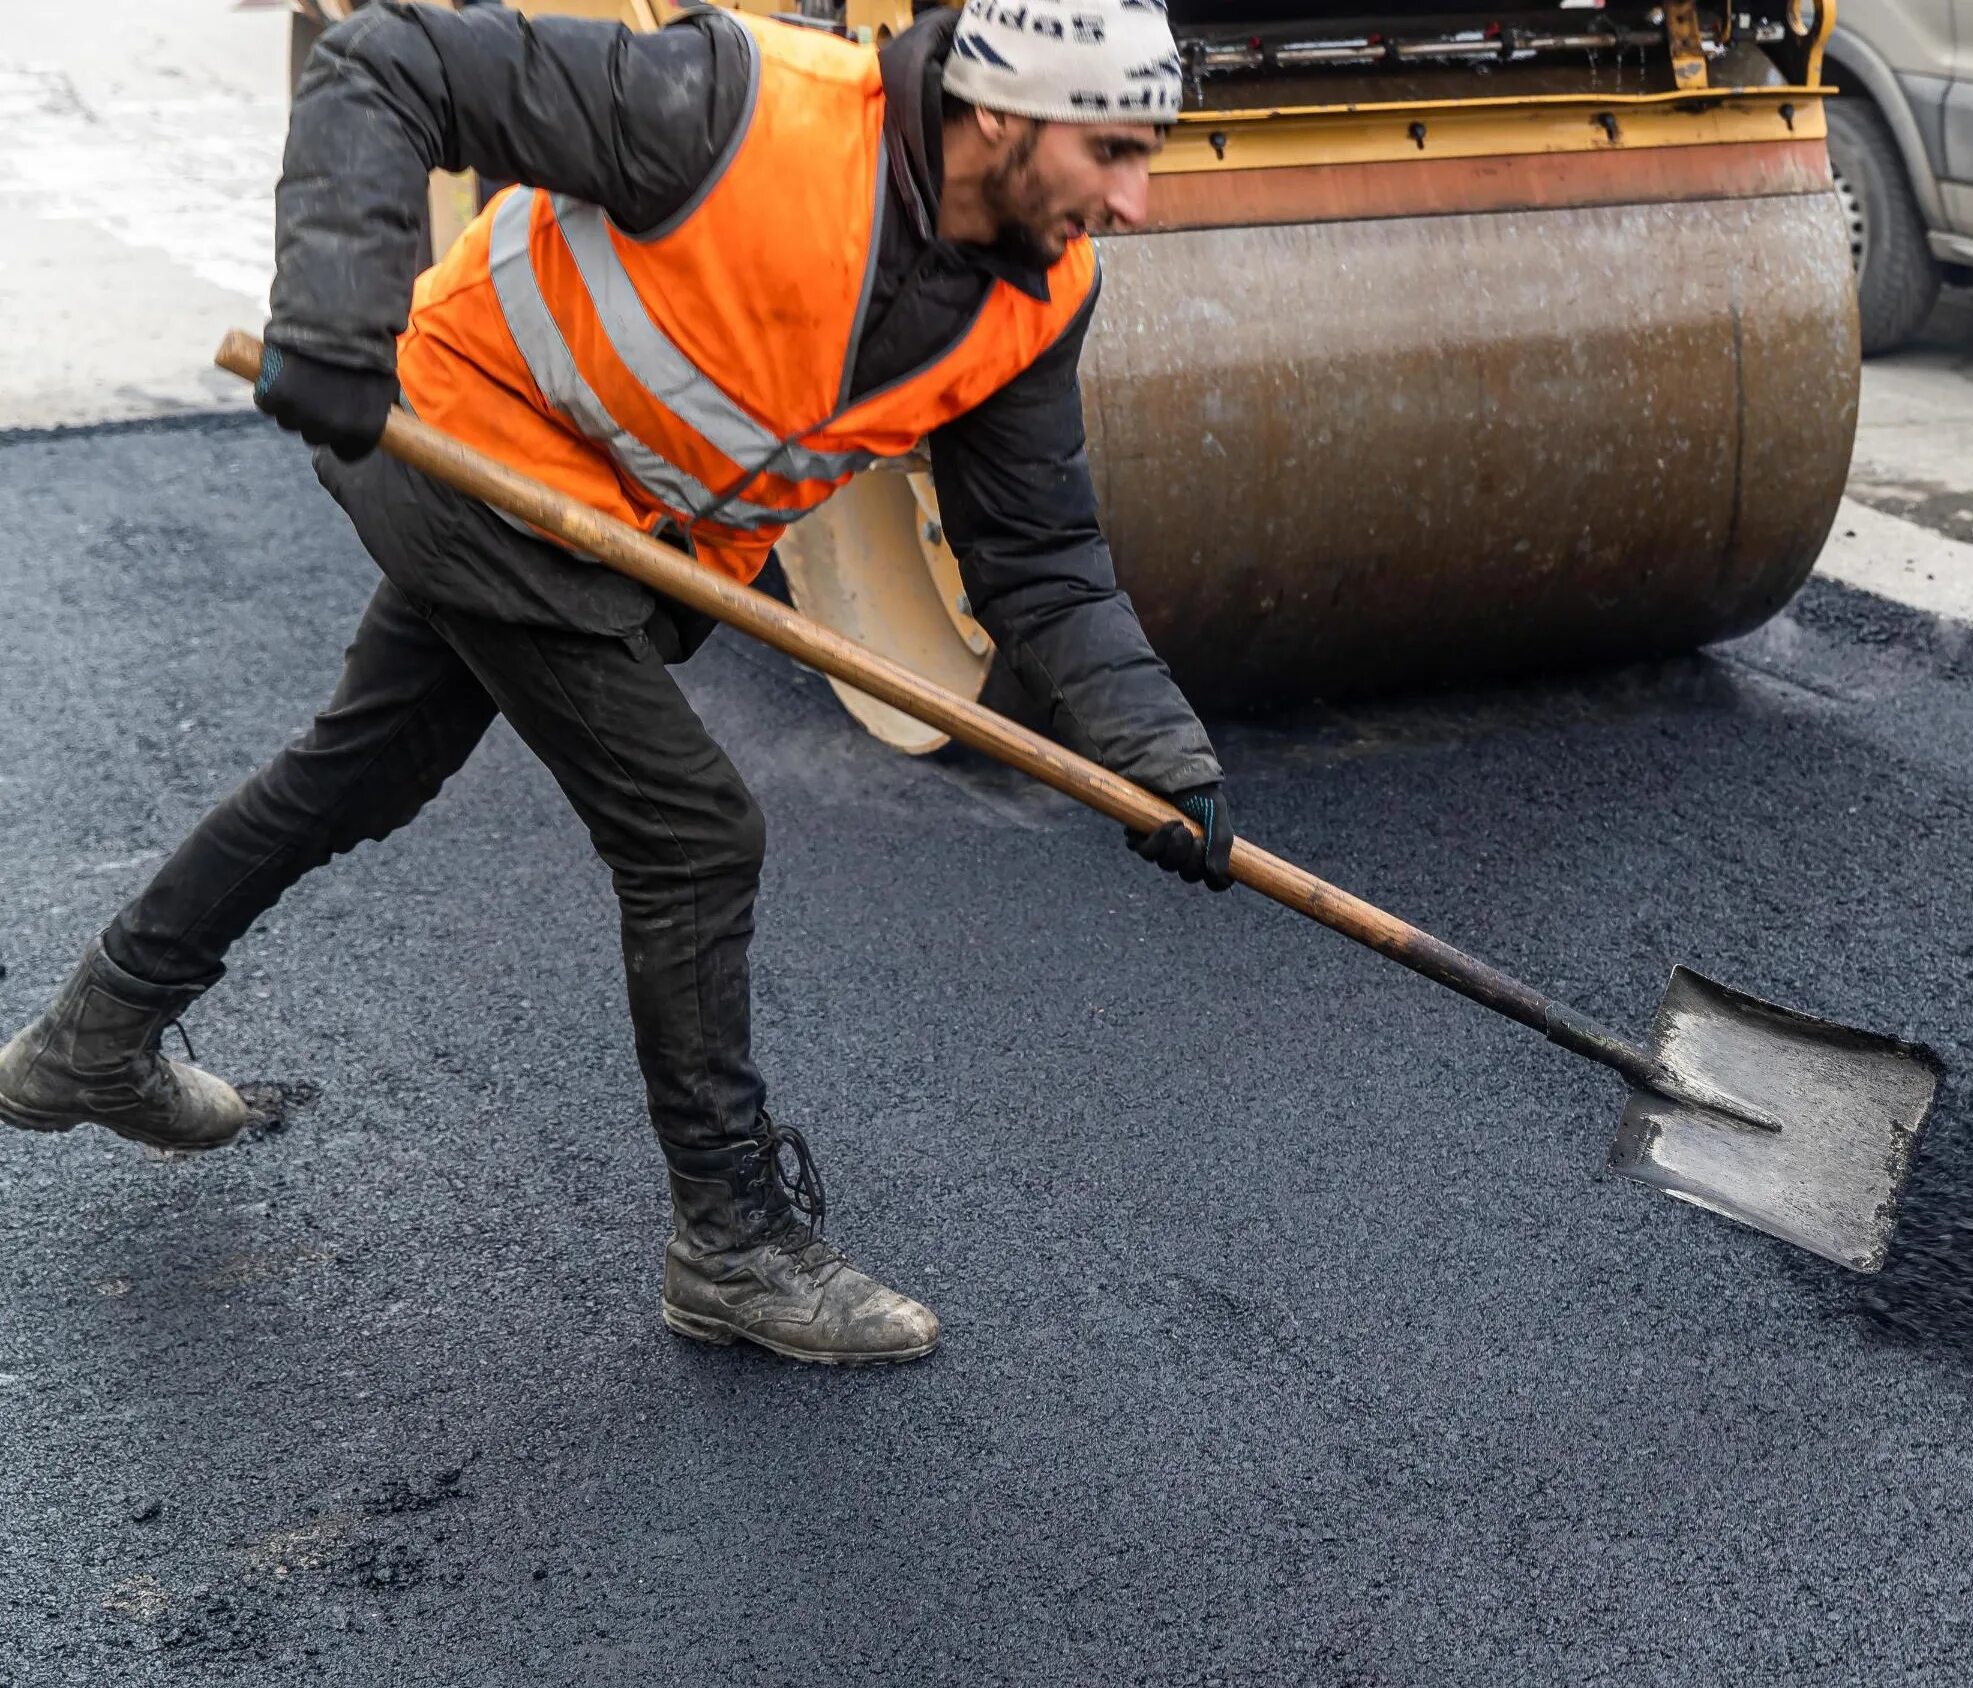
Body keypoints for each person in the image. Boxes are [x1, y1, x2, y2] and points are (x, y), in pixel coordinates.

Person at [0, 0, 1228, 1366]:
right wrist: (337, 324)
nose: (1133, 199)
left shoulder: (1038, 292)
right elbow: (386, 58)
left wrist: (1158, 759)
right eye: (1111, 150)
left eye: (1147, 155)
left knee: (365, 765)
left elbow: (1040, 559)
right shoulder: (734, 106)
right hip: (464, 452)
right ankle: (733, 1243)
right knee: (696, 835)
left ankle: (90, 1040)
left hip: (613, 533)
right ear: (999, 116)